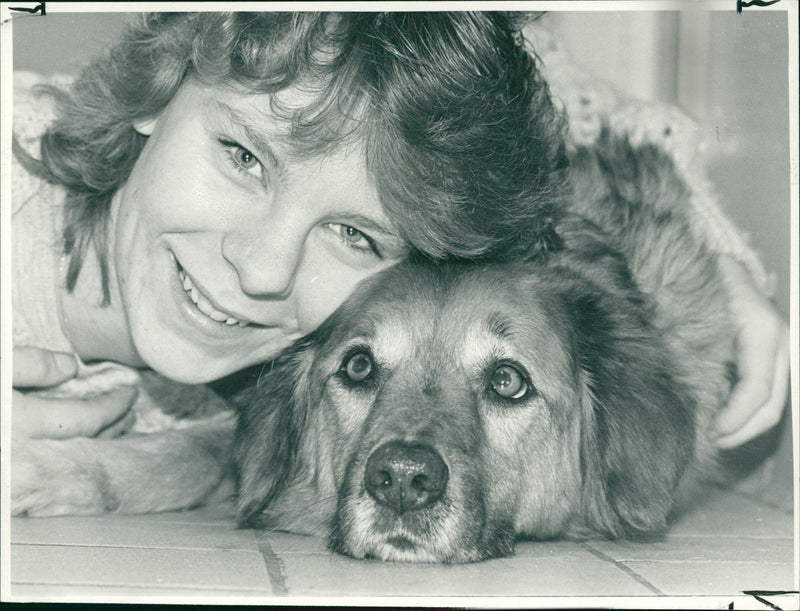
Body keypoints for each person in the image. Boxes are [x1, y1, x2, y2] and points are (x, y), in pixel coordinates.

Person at [11, 12, 788, 451]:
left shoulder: (301, 359)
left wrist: (722, 259)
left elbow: (581, 105)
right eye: (242, 156)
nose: (263, 268)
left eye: (355, 235)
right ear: (157, 84)